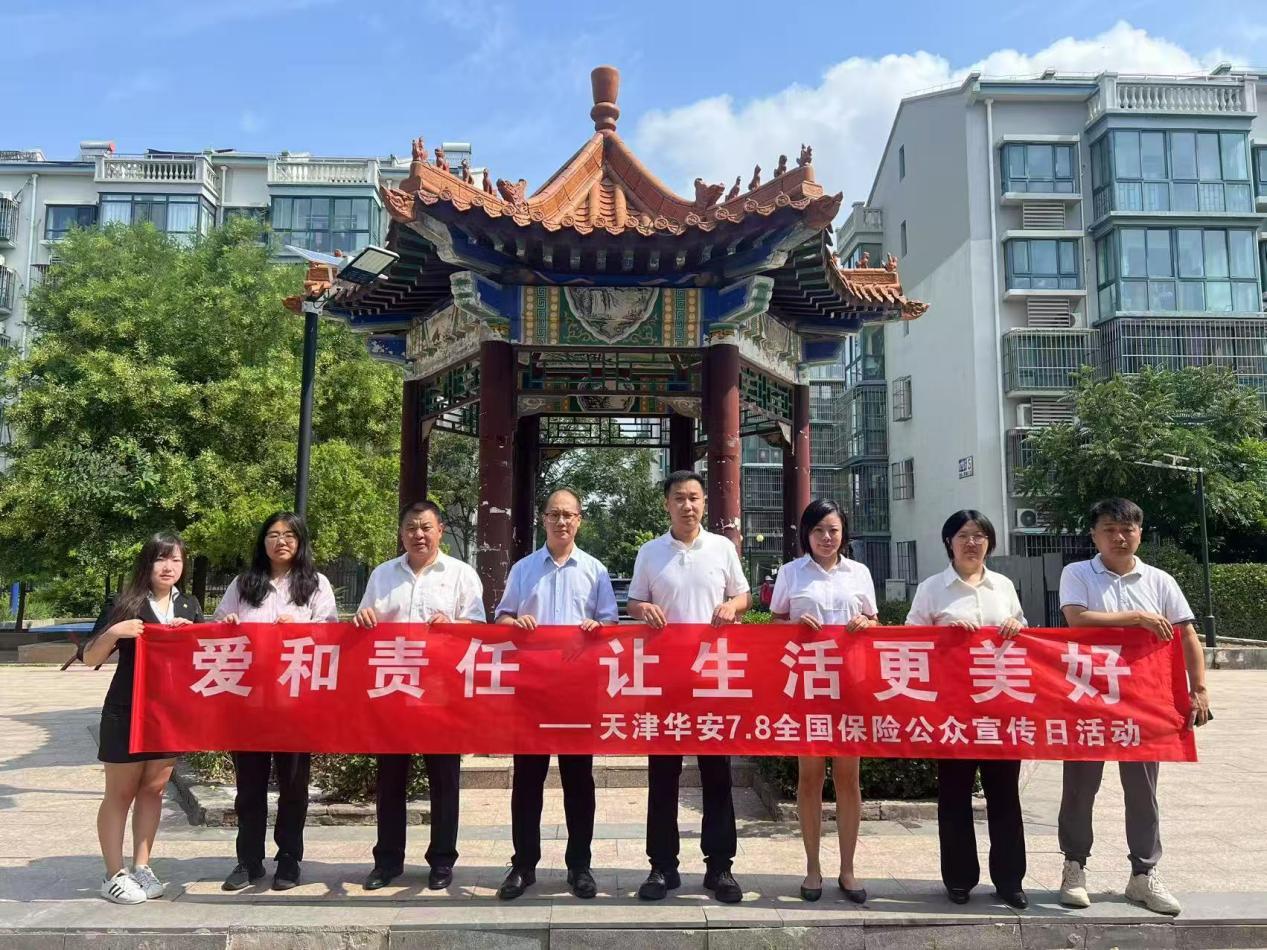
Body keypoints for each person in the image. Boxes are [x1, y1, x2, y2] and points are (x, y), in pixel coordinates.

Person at [1056, 497, 1212, 916]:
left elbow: (1186, 635)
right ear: (1094, 535)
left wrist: (1198, 688)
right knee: (1080, 787)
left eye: (1128, 529)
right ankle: (1074, 867)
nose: (1119, 537)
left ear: (1140, 533)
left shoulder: (1159, 580)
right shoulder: (1078, 573)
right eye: (1109, 529)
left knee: (1143, 790)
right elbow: (1077, 619)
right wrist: (1138, 617)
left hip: (1144, 700)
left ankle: (1143, 873)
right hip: (1089, 697)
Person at [626, 470, 751, 904]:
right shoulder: (650, 552)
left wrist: (731, 606)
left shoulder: (721, 548)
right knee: (663, 776)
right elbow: (633, 601)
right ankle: (662, 866)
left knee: (717, 775)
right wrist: (643, 609)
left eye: (694, 497)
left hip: (713, 679)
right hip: (663, 681)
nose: (687, 505)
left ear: (704, 503)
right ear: (667, 504)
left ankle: (720, 867)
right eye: (679, 498)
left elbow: (744, 596)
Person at [493, 488, 619, 901]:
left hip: (578, 692)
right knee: (527, 780)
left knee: (578, 780)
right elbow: (502, 617)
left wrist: (597, 628)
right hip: (531, 690)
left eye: (569, 515)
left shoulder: (595, 571)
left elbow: (610, 624)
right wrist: (515, 623)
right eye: (554, 514)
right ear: (543, 519)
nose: (561, 521)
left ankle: (579, 865)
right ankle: (523, 864)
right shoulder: (524, 569)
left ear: (580, 520)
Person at [354, 500, 484, 891]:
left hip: (441, 695)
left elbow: (479, 628)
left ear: (440, 530)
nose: (418, 535)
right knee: (390, 780)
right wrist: (363, 619)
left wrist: (454, 625)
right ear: (401, 533)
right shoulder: (383, 575)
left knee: (444, 781)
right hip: (393, 691)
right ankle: (387, 861)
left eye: (426, 527)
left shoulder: (461, 574)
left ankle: (442, 860)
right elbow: (364, 622)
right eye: (411, 527)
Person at [906, 510, 1029, 910]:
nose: (971, 543)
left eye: (979, 536)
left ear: (989, 542)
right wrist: (942, 636)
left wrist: (1017, 628)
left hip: (1000, 709)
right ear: (949, 542)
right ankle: (958, 879)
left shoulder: (1003, 586)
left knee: (1005, 796)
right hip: (953, 711)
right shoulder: (932, 588)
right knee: (954, 795)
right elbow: (909, 641)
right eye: (963, 535)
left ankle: (1010, 880)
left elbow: (1023, 634)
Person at [213, 511, 338, 892]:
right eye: (273, 535)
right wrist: (227, 626)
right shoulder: (243, 583)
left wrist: (302, 628)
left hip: (295, 701)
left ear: (300, 541)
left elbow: (332, 635)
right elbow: (218, 628)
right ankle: (248, 861)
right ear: (262, 541)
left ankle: (289, 859)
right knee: (249, 786)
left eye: (288, 535)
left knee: (293, 785)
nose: (280, 541)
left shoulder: (315, 584)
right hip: (250, 700)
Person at [83, 532, 203, 904]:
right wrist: (115, 632)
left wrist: (192, 635)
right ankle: (113, 874)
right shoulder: (124, 603)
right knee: (120, 794)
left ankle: (142, 866)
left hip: (168, 713)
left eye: (176, 560)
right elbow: (89, 657)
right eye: (161, 559)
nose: (169, 567)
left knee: (153, 790)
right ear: (147, 563)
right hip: (125, 710)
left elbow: (203, 659)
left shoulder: (189, 605)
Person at [769, 498, 877, 903]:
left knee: (849, 779)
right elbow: (774, 624)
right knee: (810, 777)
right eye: (818, 530)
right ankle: (812, 868)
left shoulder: (860, 573)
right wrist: (794, 625)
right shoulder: (791, 573)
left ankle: (848, 869)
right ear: (806, 534)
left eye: (833, 530)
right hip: (808, 687)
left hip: (850, 687)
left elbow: (876, 622)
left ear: (843, 533)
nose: (826, 537)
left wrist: (866, 623)